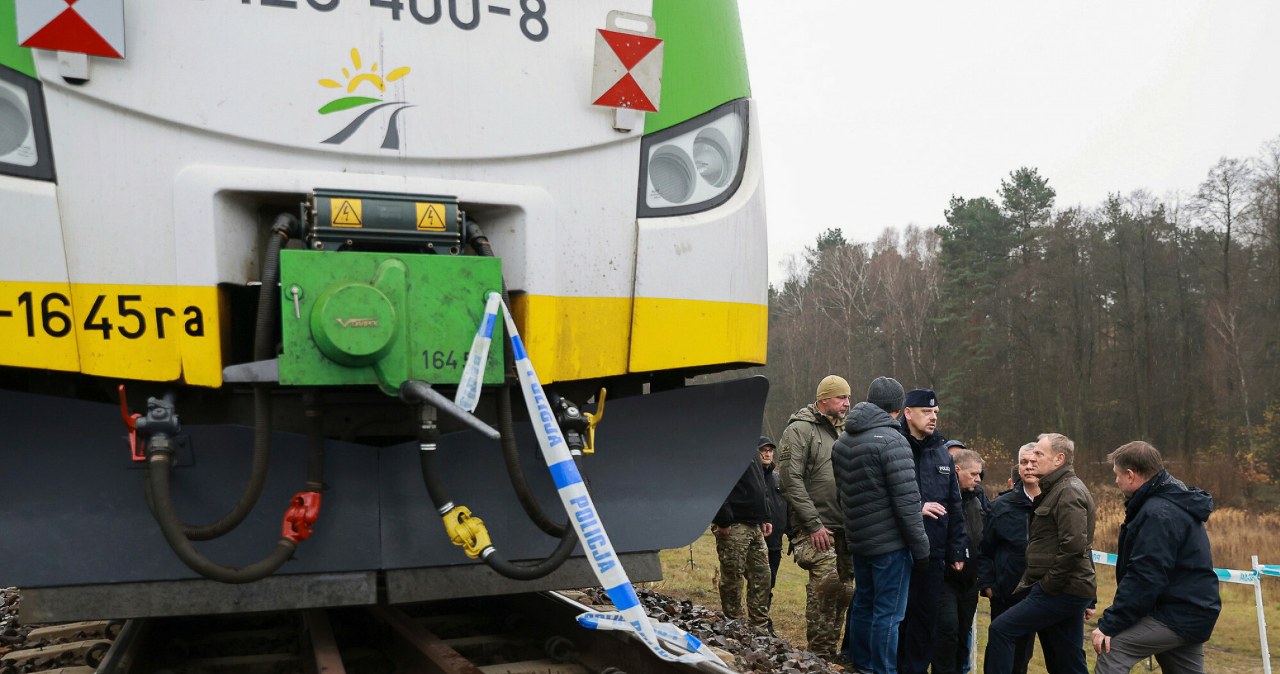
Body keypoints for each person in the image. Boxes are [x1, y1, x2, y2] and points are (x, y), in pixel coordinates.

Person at [1092, 441, 1221, 674]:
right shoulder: (1167, 502)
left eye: (1117, 475)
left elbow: (1145, 576)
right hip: (1191, 610)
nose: (1116, 481)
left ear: (1130, 475)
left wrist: (1110, 624)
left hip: (1177, 613)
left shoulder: (1158, 513)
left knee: (1113, 648)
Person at [832, 376, 929, 674]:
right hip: (890, 544)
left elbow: (841, 494)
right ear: (898, 408)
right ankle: (882, 670)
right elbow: (907, 501)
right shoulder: (893, 441)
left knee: (863, 604)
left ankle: (861, 664)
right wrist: (922, 548)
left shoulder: (843, 440)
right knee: (888, 614)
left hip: (859, 540)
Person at [984, 433, 1095, 674]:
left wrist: (1046, 585)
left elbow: (1075, 546)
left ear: (1059, 459)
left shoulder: (1068, 492)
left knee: (1001, 630)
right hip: (1064, 588)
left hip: (1061, 590)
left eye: (1039, 454)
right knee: (1067, 660)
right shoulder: (1055, 489)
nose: (1032, 459)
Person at [779, 374, 853, 657]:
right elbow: (790, 480)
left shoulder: (847, 431)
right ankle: (819, 655)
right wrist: (812, 524)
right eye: (841, 398)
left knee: (845, 591)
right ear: (824, 399)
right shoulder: (800, 430)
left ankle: (830, 653)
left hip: (845, 527)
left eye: (848, 397)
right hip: (815, 527)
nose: (847, 403)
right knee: (826, 586)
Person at [896, 388, 967, 674]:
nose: (933, 417)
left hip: (934, 553)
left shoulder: (941, 452)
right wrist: (918, 507)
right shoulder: (895, 444)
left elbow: (954, 503)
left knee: (926, 621)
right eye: (927, 412)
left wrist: (957, 547)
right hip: (900, 549)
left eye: (936, 412)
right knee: (899, 617)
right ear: (908, 413)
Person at [978, 444, 1039, 674]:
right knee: (1003, 657)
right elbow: (984, 550)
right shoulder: (1001, 506)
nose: (1029, 467)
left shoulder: (1057, 502)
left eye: (1034, 462)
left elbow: (1080, 547)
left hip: (1046, 593)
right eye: (1024, 462)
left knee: (1028, 655)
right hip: (1007, 595)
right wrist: (989, 586)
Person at [933, 445, 989, 674]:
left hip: (970, 581)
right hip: (944, 578)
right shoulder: (940, 497)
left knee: (963, 632)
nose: (978, 479)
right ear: (957, 470)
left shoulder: (978, 499)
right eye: (973, 474)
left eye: (980, 474)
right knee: (947, 631)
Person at [711, 436, 774, 630]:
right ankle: (734, 625)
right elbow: (716, 483)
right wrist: (723, 519)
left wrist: (765, 516)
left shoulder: (749, 447)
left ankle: (759, 626)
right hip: (734, 524)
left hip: (754, 525)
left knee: (762, 576)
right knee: (733, 577)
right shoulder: (723, 446)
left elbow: (758, 486)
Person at [759, 437, 789, 600]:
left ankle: (763, 617)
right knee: (758, 581)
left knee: (770, 581)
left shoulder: (778, 478)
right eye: (763, 451)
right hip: (756, 539)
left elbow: (786, 505)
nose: (767, 454)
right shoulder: (751, 476)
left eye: (770, 451)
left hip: (775, 541)